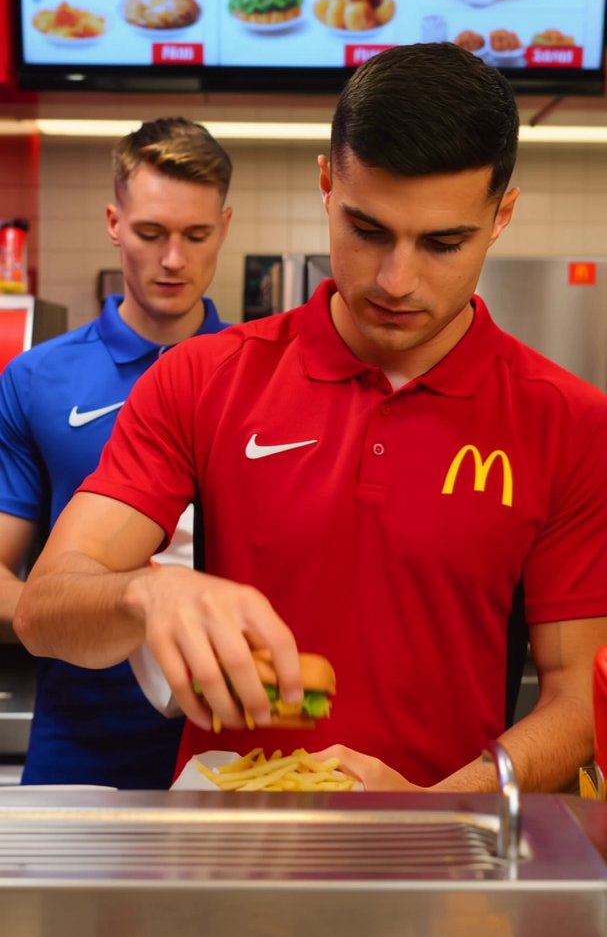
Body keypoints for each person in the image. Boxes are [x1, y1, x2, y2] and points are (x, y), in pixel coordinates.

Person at [14, 44, 607, 793]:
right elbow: (46, 607)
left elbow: (575, 700)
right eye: (366, 230)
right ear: (326, 186)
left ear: (501, 216)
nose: (396, 280)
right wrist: (145, 593)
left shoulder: (567, 422)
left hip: (450, 867)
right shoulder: (203, 377)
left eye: (442, 243)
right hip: (228, 849)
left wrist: (431, 810)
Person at [0, 116, 233, 787]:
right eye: (150, 233)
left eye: (195, 235)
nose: (172, 260)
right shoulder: (38, 380)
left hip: (232, 744)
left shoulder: (262, 377)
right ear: (113, 222)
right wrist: (79, 613)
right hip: (80, 740)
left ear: (223, 225)